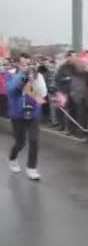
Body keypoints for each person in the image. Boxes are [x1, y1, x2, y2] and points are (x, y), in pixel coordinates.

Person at [6, 53, 47, 181]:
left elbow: (41, 93)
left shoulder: (35, 75)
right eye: (23, 64)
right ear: (18, 64)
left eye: (28, 64)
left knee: (34, 140)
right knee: (20, 142)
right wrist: (22, 76)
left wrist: (37, 79)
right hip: (17, 113)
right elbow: (11, 89)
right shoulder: (11, 74)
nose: (26, 66)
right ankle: (12, 158)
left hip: (33, 112)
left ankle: (31, 168)